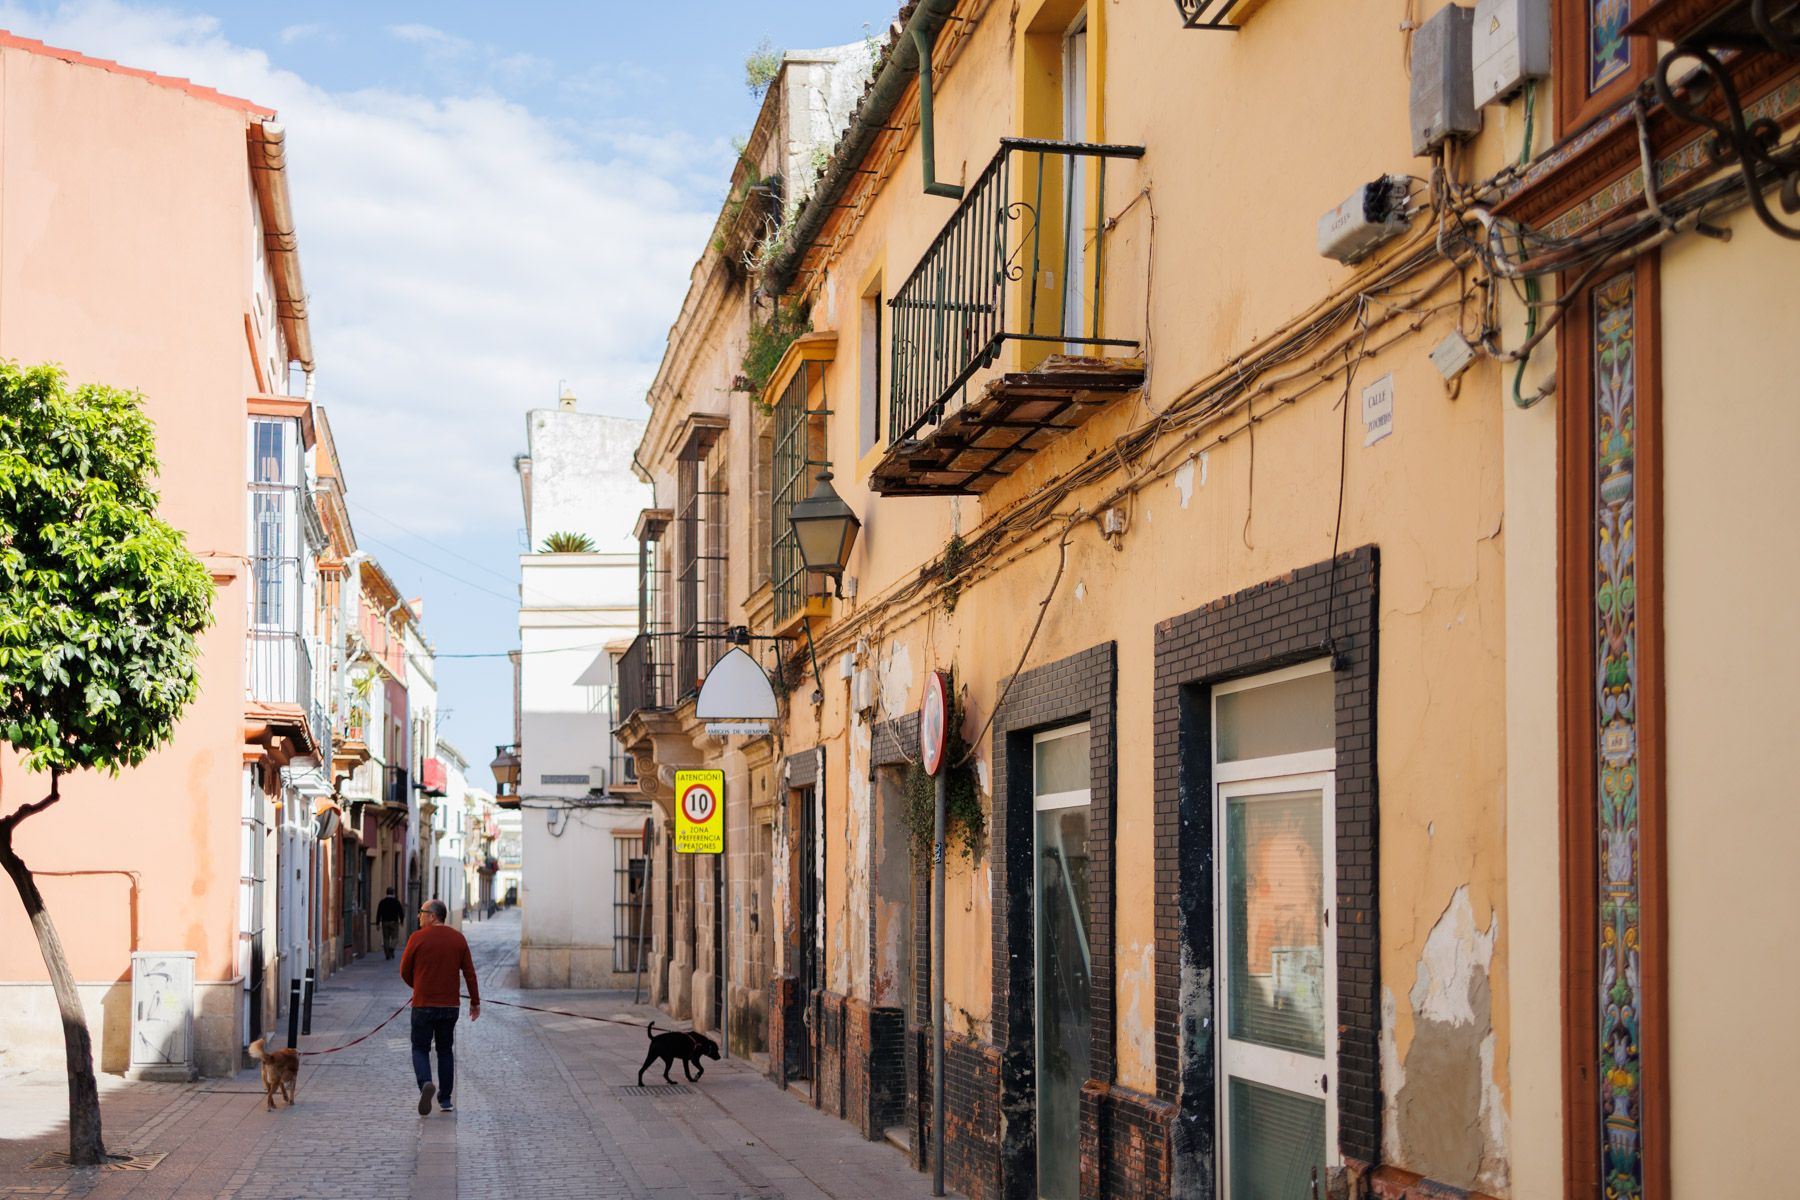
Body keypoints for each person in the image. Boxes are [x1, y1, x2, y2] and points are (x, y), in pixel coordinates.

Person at [399, 898, 479, 1115]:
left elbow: (404, 970)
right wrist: (475, 1002)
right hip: (449, 1006)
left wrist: (419, 987)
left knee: (420, 1047)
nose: (418, 916)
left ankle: (425, 1083)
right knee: (445, 1050)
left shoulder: (417, 938)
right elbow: (469, 973)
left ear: (432, 916)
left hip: (423, 1004)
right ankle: (445, 1100)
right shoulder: (458, 939)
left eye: (422, 912)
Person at [375, 887, 405, 960]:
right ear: (393, 893)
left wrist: (377, 923)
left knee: (386, 938)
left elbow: (379, 913)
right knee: (395, 938)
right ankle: (392, 948)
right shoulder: (396, 902)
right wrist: (401, 921)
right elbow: (401, 912)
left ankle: (387, 954)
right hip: (394, 922)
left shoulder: (382, 902)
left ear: (386, 893)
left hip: (385, 922)